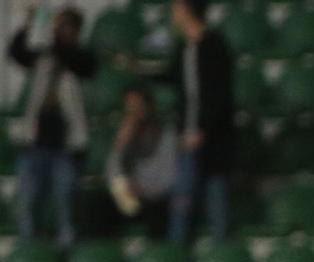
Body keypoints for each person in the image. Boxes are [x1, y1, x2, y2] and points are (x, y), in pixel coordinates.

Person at [8, 5, 96, 248]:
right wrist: (30, 26)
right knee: (28, 200)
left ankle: (66, 249)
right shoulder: (44, 56)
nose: (60, 30)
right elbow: (17, 52)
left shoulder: (82, 58)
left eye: (66, 26)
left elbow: (76, 60)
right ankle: (29, 247)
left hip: (67, 144)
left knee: (65, 202)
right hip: (36, 141)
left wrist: (52, 38)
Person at [165, 0, 237, 244]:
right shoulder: (183, 48)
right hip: (188, 135)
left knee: (214, 197)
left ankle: (220, 251)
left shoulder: (214, 46)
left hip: (212, 139)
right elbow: (172, 77)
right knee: (182, 200)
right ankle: (176, 256)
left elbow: (220, 95)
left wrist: (204, 130)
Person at [105, 85, 178, 236]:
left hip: (154, 197)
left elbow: (169, 179)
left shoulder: (165, 135)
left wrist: (143, 189)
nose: (134, 112)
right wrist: (120, 145)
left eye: (137, 105)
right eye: (129, 107)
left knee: (158, 210)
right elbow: (111, 175)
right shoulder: (125, 135)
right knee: (97, 205)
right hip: (130, 197)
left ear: (148, 106)